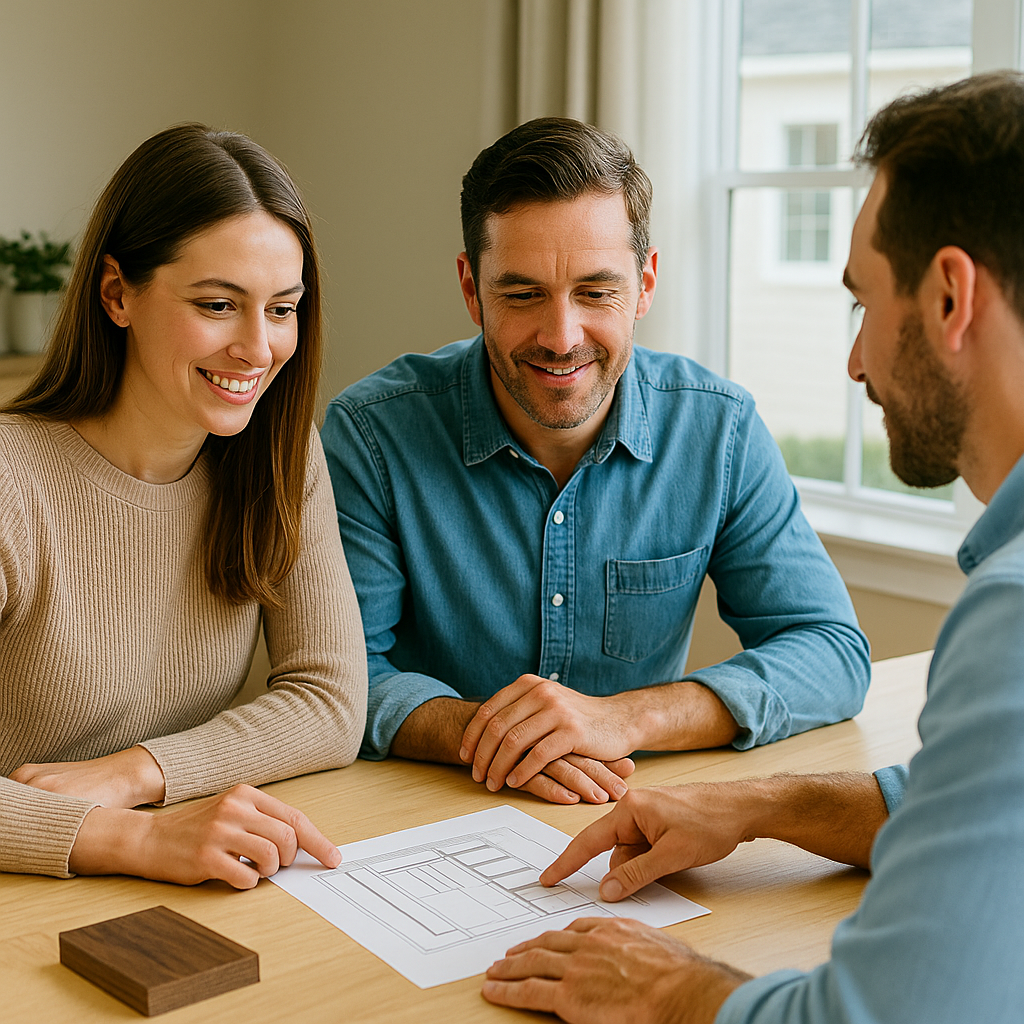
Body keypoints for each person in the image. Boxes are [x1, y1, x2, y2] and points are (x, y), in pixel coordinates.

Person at [481, 72, 1024, 1023]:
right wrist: (758, 805)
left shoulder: (1014, 614)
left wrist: (675, 985)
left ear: (948, 298)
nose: (855, 361)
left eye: (864, 304)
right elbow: (958, 802)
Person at [321, 117, 869, 806]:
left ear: (644, 284)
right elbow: (340, 675)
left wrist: (624, 718)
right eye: (522, 294)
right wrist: (500, 737)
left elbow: (829, 650)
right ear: (471, 290)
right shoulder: (371, 436)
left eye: (595, 291)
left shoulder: (718, 430)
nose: (561, 336)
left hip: (630, 813)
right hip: (420, 820)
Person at [0, 125, 368, 887]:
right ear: (116, 294)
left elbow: (331, 701)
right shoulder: (12, 479)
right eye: (218, 304)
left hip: (163, 889)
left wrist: (137, 775)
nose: (257, 349)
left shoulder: (281, 458)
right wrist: (132, 841)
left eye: (281, 309)